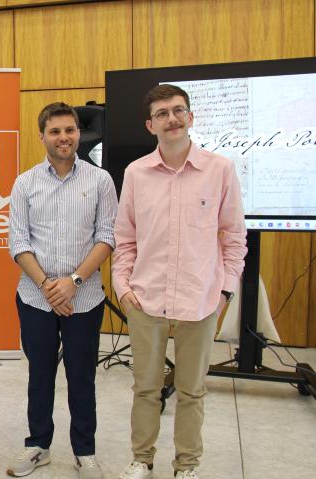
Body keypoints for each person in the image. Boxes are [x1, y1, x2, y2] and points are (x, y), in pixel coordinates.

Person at [113, 84, 247, 479]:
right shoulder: (136, 173)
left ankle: (186, 465)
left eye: (178, 110)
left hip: (200, 298)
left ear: (190, 117)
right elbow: (125, 238)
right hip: (146, 299)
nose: (171, 118)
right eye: (162, 113)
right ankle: (142, 458)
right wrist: (123, 288)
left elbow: (234, 237)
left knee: (191, 391)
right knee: (146, 389)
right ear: (149, 124)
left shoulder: (220, 170)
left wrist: (224, 290)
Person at [6, 102, 117, 479]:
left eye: (69, 130)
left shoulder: (100, 180)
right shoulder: (25, 183)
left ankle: (85, 451)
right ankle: (38, 445)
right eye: (55, 131)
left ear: (78, 133)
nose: (64, 137)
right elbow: (18, 242)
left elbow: (106, 236)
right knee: (40, 374)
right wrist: (48, 287)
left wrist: (73, 283)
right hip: (35, 296)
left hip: (83, 297)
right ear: (42, 137)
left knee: (82, 375)